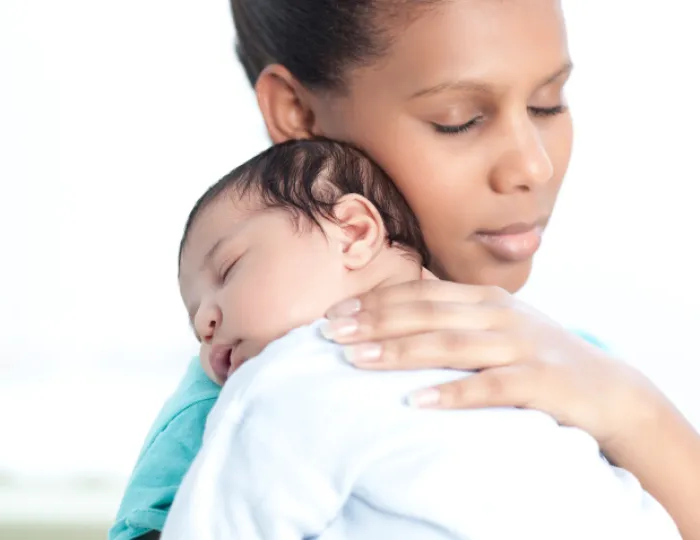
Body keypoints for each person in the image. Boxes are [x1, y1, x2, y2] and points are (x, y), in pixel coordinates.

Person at [109, 1, 700, 539]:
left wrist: (632, 410)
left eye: (548, 103)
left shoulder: (572, 365)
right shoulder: (234, 405)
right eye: (458, 119)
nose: (532, 166)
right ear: (298, 112)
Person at [160, 137, 679, 539]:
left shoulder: (288, 380)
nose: (206, 323)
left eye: (228, 270)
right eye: (194, 319)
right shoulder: (535, 359)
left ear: (356, 232)